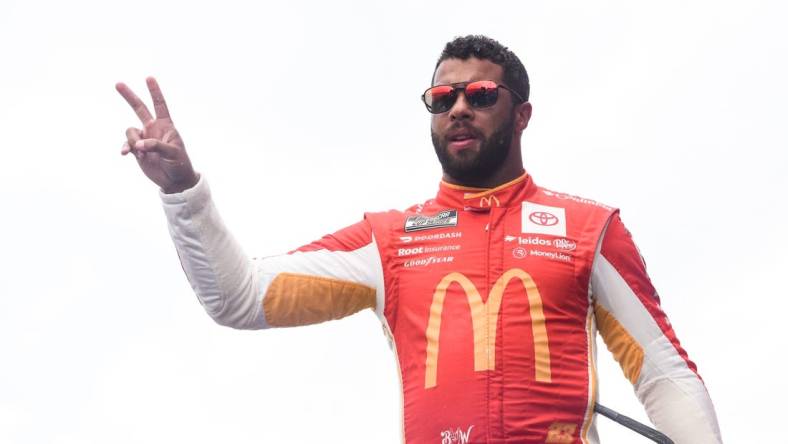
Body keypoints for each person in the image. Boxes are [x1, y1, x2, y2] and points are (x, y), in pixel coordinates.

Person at [117, 35, 722, 444]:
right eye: (442, 97)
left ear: (521, 115)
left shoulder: (590, 229)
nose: (459, 107)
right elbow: (239, 298)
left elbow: (665, 375)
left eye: (481, 95)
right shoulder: (387, 241)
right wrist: (182, 189)